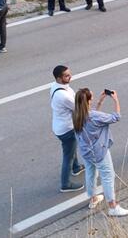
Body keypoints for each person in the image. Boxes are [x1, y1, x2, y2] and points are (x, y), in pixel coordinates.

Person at [73, 88, 128, 216]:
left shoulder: (76, 115)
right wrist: (116, 100)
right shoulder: (93, 116)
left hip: (86, 152)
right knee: (108, 176)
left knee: (91, 173)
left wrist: (100, 102)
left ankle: (93, 199)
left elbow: (93, 120)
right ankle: (113, 206)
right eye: (91, 98)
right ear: (88, 101)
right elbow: (116, 117)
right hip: (99, 151)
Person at [50, 65, 84, 193]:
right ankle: (65, 184)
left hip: (60, 126)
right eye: (66, 76)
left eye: (69, 74)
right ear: (59, 78)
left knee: (71, 148)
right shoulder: (63, 96)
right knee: (68, 156)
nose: (70, 77)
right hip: (66, 129)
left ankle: (76, 167)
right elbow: (79, 109)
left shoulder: (55, 86)